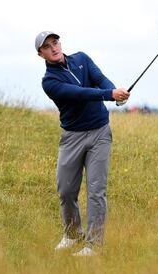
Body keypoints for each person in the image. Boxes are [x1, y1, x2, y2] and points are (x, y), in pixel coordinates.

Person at [35, 31, 129, 256]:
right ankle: (72, 234)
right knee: (66, 190)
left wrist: (116, 92)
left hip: (99, 132)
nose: (54, 48)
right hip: (72, 138)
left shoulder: (82, 59)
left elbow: (100, 79)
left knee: (96, 190)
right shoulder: (50, 82)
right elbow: (79, 93)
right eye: (47, 47)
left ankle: (94, 245)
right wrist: (109, 94)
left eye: (55, 42)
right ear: (41, 54)